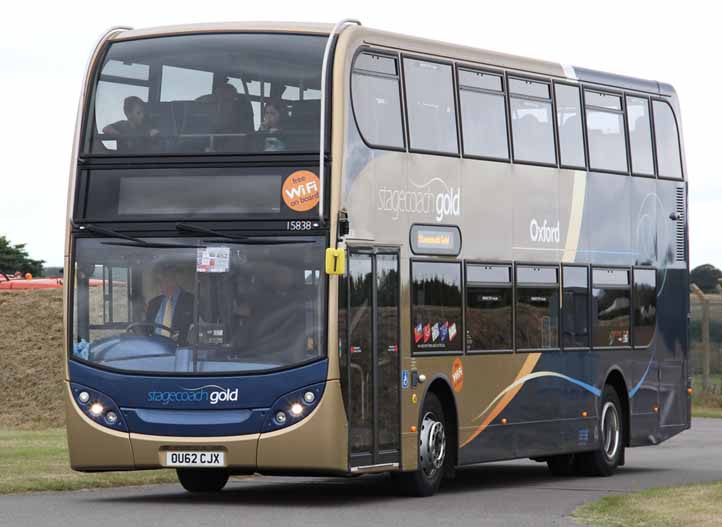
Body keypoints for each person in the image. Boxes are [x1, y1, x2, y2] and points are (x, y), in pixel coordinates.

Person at [146, 262, 194, 345]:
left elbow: (195, 330)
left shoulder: (191, 301)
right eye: (158, 280)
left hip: (180, 352)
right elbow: (147, 329)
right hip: (154, 350)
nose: (159, 283)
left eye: (163, 278)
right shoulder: (153, 303)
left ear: (174, 279)